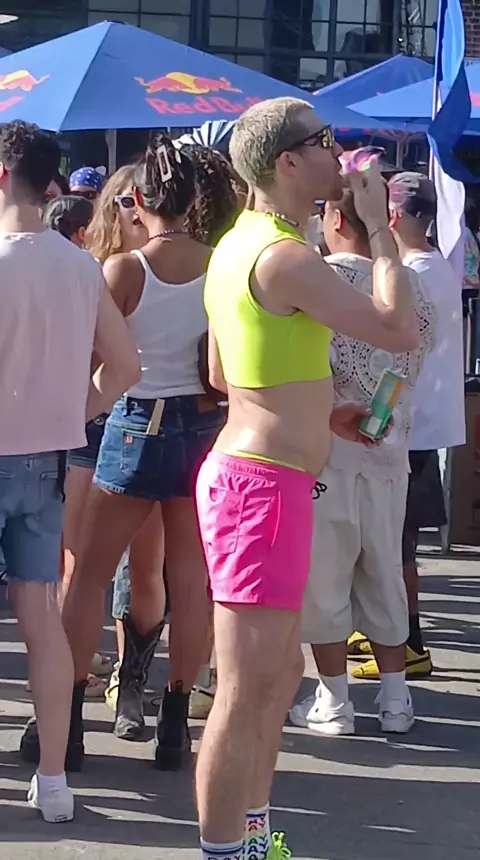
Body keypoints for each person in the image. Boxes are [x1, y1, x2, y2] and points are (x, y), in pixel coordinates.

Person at [194, 97, 419, 860]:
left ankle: (254, 840)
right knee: (245, 688)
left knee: (276, 675)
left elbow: (225, 371)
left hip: (265, 480)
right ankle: (228, 850)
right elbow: (399, 328)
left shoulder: (242, 243)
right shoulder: (286, 256)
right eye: (324, 141)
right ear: (288, 162)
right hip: (260, 487)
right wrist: (380, 227)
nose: (337, 152)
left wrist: (321, 413)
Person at [20, 133, 228, 772]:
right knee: (189, 580)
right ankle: (175, 722)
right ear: (194, 200)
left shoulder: (126, 270)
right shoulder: (220, 264)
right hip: (203, 424)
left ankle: (67, 723)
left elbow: (94, 354)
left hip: (138, 422)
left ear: (138, 201)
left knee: (89, 573)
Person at [0, 120, 140, 821]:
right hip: (46, 459)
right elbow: (127, 366)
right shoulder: (81, 265)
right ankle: (53, 780)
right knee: (41, 618)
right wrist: (72, 412)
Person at [289, 158, 435, 738]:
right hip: (392, 448)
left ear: (335, 219)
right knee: (384, 571)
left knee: (325, 575)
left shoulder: (320, 280)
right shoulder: (410, 284)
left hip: (330, 448)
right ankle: (396, 697)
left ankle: (335, 697)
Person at [351, 172, 465, 680]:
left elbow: (395, 358)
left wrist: (374, 418)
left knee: (393, 545)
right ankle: (392, 632)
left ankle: (408, 641)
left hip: (407, 426)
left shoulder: (411, 275)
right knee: (397, 542)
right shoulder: (436, 266)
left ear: (392, 216)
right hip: (422, 424)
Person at [62, 165, 149, 698]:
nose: (137, 212)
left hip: (138, 426)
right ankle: (74, 678)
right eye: (128, 202)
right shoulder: (92, 270)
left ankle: (120, 682)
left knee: (136, 567)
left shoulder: (159, 268)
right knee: (82, 560)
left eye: (143, 200)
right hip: (98, 428)